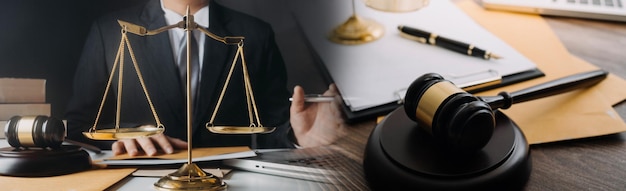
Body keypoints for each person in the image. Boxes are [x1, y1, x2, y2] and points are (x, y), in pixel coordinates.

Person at [65, 0, 346, 156]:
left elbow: (271, 124)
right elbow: (81, 126)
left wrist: (298, 134)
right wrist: (121, 140)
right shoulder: (110, 31)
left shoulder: (255, 33)